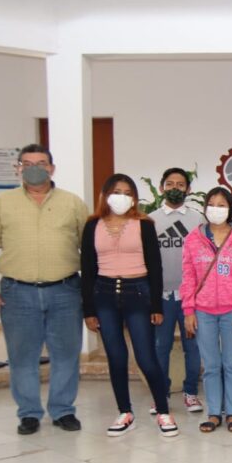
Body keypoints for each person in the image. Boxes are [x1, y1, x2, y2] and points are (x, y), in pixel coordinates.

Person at [0, 144, 87, 435]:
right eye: (27, 164)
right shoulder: (2, 203)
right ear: (18, 169)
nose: (34, 168)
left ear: (52, 168)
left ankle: (63, 410)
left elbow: (88, 248)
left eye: (41, 163)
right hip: (17, 292)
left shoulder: (73, 203)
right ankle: (28, 413)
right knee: (22, 356)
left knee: (66, 354)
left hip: (65, 290)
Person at [81, 174, 178, 437]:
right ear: (105, 195)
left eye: (127, 193)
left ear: (134, 198)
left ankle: (163, 411)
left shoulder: (144, 224)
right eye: (116, 192)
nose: (121, 197)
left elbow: (155, 267)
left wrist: (156, 306)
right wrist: (88, 310)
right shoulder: (92, 225)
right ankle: (125, 412)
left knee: (146, 357)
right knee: (116, 357)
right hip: (104, 294)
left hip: (138, 293)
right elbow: (87, 270)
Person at [181, 187, 232, 433]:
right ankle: (214, 413)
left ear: (230, 208)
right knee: (211, 365)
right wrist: (188, 310)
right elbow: (188, 276)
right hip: (203, 311)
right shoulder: (193, 238)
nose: (216, 209)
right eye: (211, 204)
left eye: (222, 205)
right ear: (205, 208)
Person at [150, 168, 205, 413]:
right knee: (160, 347)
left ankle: (190, 393)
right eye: (170, 183)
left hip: (191, 297)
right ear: (161, 187)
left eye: (180, 184)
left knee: (192, 347)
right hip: (161, 296)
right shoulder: (150, 220)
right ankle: (160, 395)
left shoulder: (198, 219)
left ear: (188, 189)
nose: (175, 188)